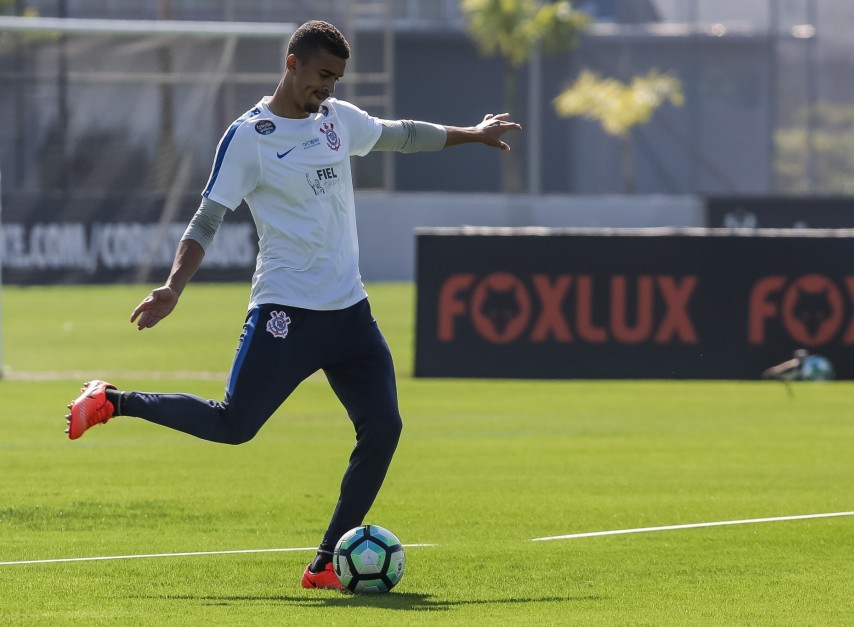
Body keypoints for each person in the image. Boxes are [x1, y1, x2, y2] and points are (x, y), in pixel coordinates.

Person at [64, 19, 520, 591]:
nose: (328, 87)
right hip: (286, 313)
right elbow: (207, 218)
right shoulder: (249, 135)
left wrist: (472, 134)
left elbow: (402, 133)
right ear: (291, 63)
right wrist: (174, 287)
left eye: (336, 78)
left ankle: (327, 563)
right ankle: (112, 400)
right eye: (321, 75)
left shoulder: (338, 121)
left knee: (383, 428)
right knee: (235, 426)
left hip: (351, 314)